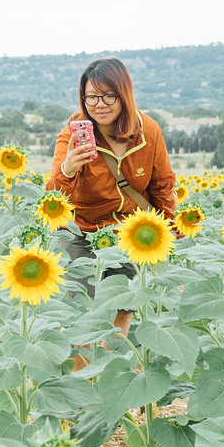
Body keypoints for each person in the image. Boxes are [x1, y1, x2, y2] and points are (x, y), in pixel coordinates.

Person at [46, 57, 177, 372]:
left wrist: (171, 229)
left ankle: (110, 372)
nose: (98, 104)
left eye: (108, 96)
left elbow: (162, 185)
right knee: (82, 313)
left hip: (127, 233)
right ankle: (80, 386)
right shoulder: (72, 135)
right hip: (81, 233)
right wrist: (69, 168)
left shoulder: (147, 132)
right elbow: (53, 196)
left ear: (124, 95)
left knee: (122, 309)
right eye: (91, 97)